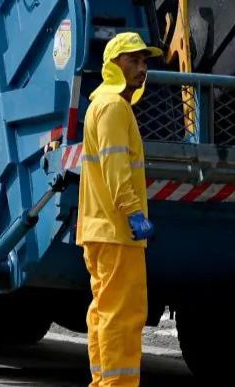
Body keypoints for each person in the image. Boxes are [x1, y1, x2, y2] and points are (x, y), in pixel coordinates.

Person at [77, 31, 161, 387]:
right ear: (114, 65)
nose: (142, 68)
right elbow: (116, 168)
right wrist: (133, 213)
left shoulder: (103, 105)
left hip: (102, 229)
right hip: (117, 232)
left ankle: (104, 382)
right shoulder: (113, 107)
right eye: (133, 61)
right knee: (123, 316)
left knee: (104, 311)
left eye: (144, 61)